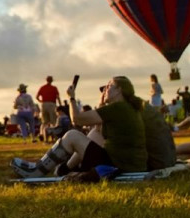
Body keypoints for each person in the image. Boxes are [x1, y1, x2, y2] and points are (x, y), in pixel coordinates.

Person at [11, 77, 148, 180]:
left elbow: (77, 119)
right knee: (94, 133)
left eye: (109, 86)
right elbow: (98, 130)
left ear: (119, 90)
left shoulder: (118, 107)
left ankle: (37, 170)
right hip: (129, 163)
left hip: (118, 165)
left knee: (72, 135)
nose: (105, 90)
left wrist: (71, 98)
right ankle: (65, 169)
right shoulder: (127, 108)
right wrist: (102, 102)